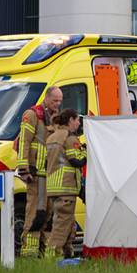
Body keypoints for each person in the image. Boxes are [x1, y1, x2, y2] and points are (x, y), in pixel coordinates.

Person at [16, 86, 62, 256]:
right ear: (47, 98)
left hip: (51, 175)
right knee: (34, 212)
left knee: (49, 214)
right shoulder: (33, 115)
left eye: (60, 101)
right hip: (35, 175)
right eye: (55, 100)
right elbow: (24, 143)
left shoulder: (56, 118)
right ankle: (29, 252)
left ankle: (45, 252)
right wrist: (24, 169)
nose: (58, 104)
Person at [44, 109, 86, 258]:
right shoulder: (70, 138)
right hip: (66, 188)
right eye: (77, 120)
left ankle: (67, 255)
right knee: (62, 226)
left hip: (53, 188)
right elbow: (77, 160)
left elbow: (45, 163)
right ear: (70, 120)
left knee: (68, 223)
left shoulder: (51, 137)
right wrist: (86, 151)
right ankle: (51, 256)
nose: (78, 123)